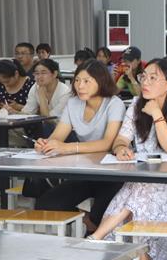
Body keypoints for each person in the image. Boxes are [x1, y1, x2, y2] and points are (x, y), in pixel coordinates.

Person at [88, 58, 167, 260]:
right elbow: (121, 138)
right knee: (139, 189)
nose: (145, 82)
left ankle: (97, 236)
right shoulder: (136, 104)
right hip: (146, 177)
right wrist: (121, 148)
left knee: (138, 188)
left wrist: (157, 113)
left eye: (153, 78)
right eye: (144, 77)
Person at [34, 60, 126, 231]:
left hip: (113, 173)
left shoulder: (114, 103)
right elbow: (57, 136)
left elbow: (107, 143)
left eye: (86, 81)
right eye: (77, 80)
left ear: (101, 81)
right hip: (86, 171)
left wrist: (67, 148)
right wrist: (45, 144)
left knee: (100, 214)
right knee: (46, 204)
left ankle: (94, 227)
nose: (80, 86)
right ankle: (88, 223)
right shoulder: (73, 103)